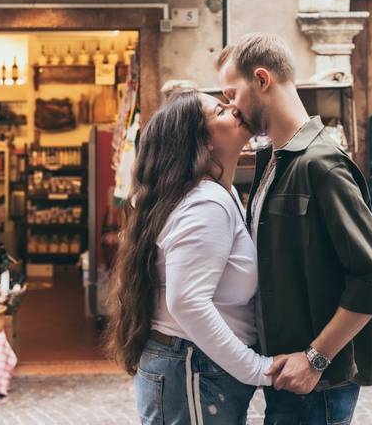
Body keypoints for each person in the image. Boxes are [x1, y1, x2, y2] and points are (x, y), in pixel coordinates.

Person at [217, 32, 372, 425]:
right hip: (285, 376)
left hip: (316, 382)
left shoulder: (322, 165)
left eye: (232, 94)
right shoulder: (272, 160)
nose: (231, 108)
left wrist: (316, 357)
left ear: (262, 80)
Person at [107, 90, 275, 425]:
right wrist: (257, 369)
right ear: (204, 141)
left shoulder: (217, 195)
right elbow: (186, 300)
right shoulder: (206, 202)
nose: (234, 108)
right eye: (220, 110)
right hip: (193, 370)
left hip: (197, 369)